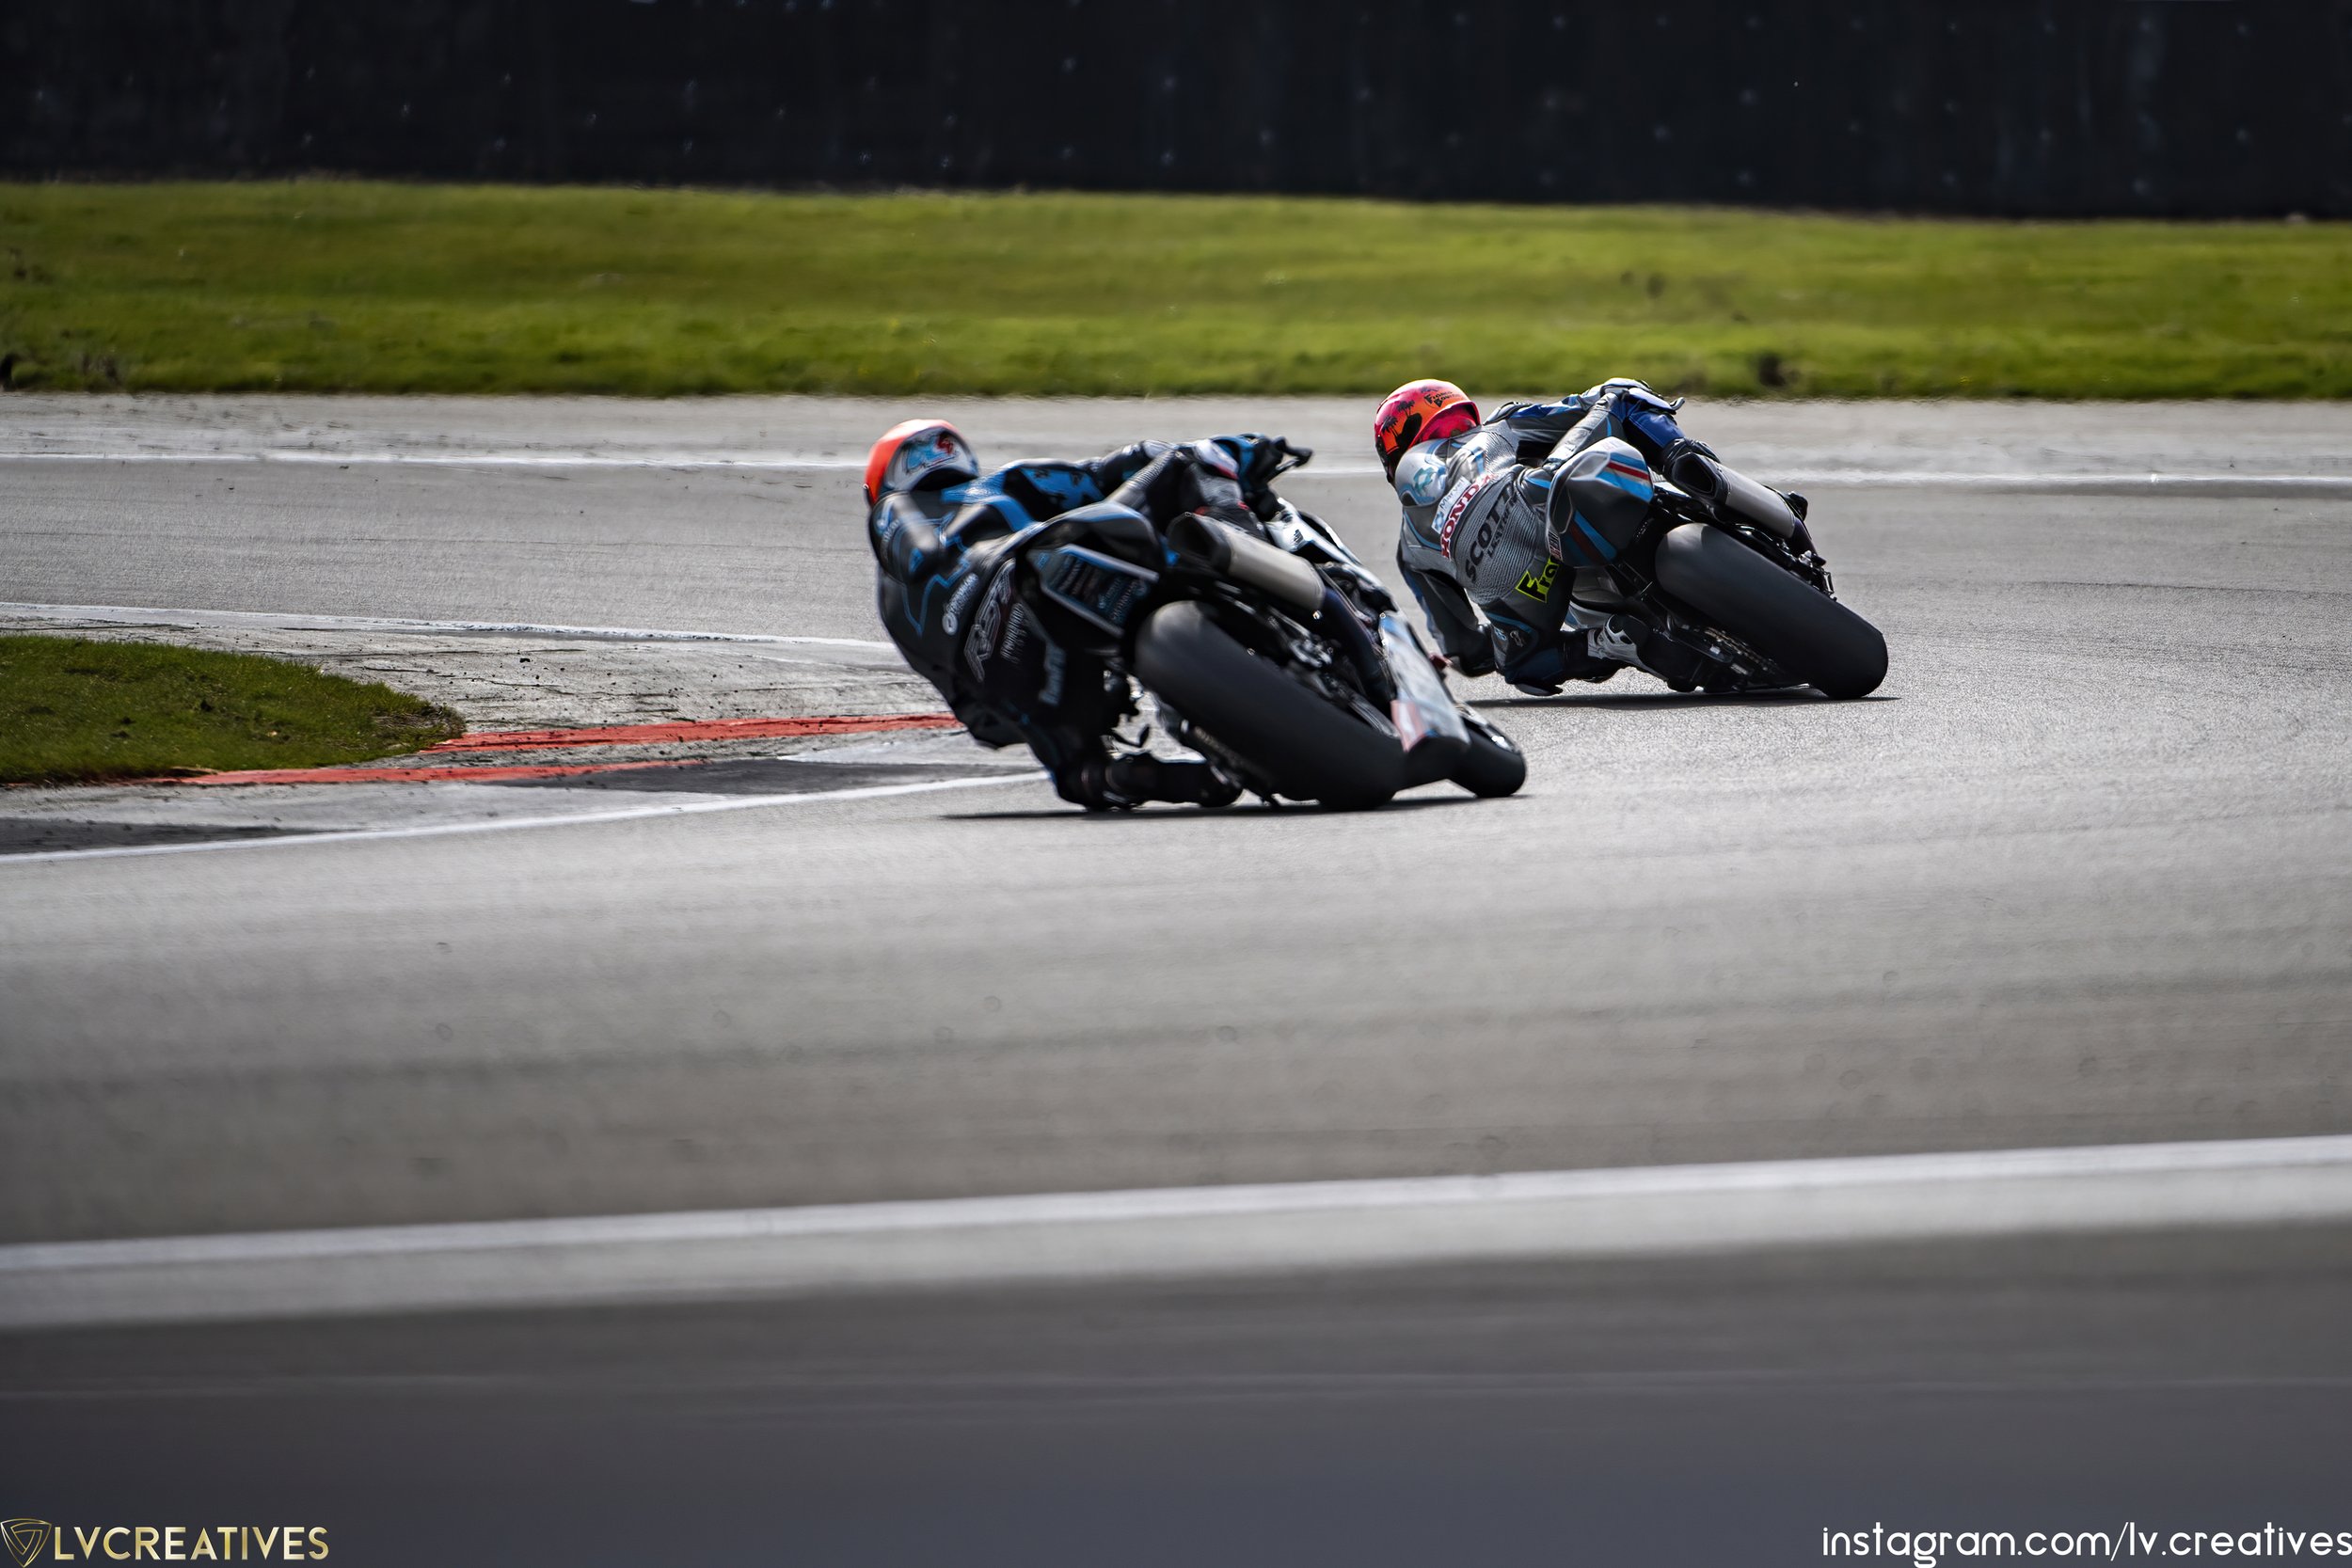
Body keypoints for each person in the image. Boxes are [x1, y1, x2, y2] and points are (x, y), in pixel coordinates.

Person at [862, 418, 1300, 810]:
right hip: (1023, 573)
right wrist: (1247, 449)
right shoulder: (998, 487)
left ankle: (1180, 775)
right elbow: (1129, 463)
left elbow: (982, 723)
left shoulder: (892, 607)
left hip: (1014, 682)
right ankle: (1247, 549)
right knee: (1187, 459)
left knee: (1079, 776)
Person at [1375, 377, 1814, 693]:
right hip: (1543, 496)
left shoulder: (1410, 547)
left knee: (1524, 664)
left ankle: (1609, 646)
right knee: (1621, 395)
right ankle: (1703, 474)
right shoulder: (1500, 427)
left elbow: (1467, 649)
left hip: (1532, 584)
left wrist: (1506, 640)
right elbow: (1589, 407)